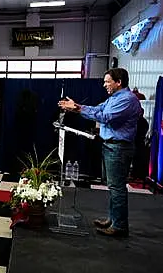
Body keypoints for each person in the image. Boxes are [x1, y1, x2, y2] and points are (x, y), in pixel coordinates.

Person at [59, 67, 142, 237]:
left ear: (119, 82)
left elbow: (105, 117)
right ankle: (113, 219)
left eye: (107, 81)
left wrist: (79, 109)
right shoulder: (114, 98)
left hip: (119, 147)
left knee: (117, 188)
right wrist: (78, 107)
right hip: (111, 146)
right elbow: (98, 109)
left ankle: (119, 226)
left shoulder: (127, 99)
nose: (104, 85)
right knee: (113, 187)